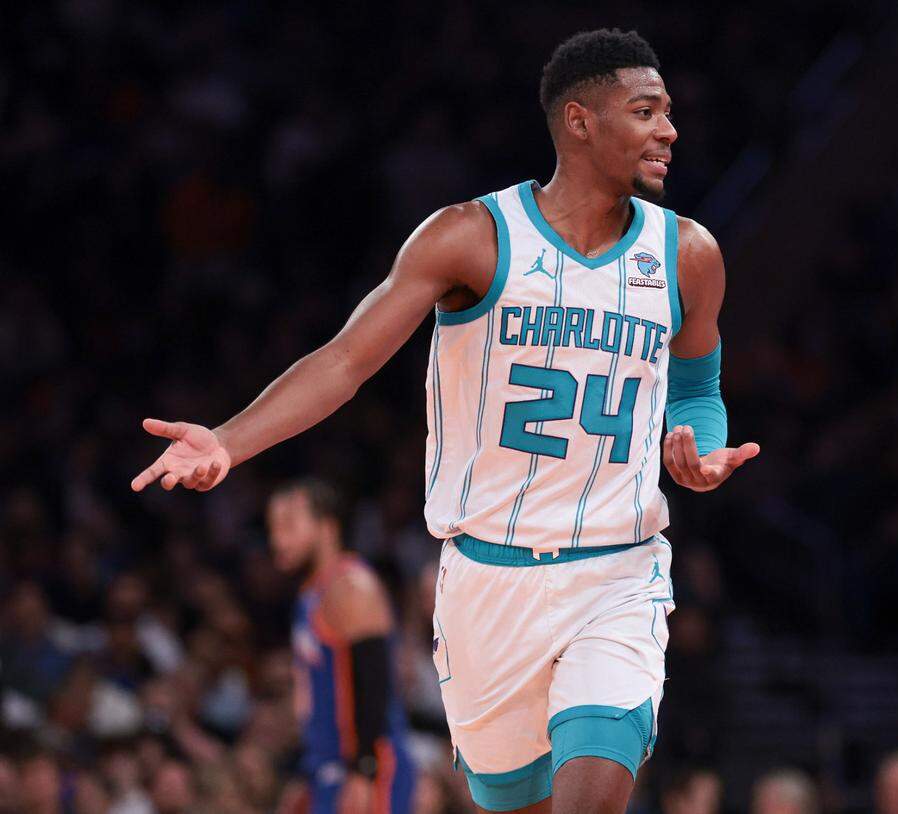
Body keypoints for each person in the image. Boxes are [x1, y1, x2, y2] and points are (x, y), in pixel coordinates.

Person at [131, 27, 757, 814]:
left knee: (593, 796)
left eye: (669, 112)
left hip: (618, 571)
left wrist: (696, 444)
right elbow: (345, 360)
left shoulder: (689, 254)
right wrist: (228, 439)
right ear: (579, 120)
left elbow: (699, 385)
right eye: (646, 111)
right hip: (484, 583)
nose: (670, 130)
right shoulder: (472, 236)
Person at [266, 478, 415, 813]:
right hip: (327, 768)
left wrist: (364, 769)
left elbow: (374, 680)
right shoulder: (310, 594)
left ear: (326, 526)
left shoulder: (350, 585)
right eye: (273, 527)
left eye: (289, 524)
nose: (277, 540)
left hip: (367, 768)